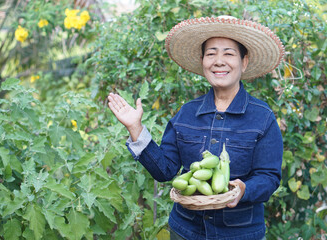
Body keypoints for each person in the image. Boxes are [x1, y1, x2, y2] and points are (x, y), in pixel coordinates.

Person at [107, 16, 284, 240]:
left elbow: (269, 177)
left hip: (240, 234)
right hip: (186, 231)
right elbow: (166, 171)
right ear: (203, 61)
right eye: (211, 53)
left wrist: (243, 189)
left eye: (229, 53)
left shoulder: (263, 117)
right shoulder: (187, 113)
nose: (219, 61)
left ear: (244, 61)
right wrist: (136, 129)